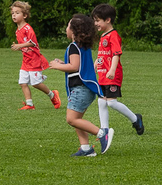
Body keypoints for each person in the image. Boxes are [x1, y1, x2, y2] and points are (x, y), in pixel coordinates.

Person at [46, 14, 114, 157]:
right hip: (85, 88)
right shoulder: (82, 47)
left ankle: (102, 133)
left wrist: (57, 66)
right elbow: (78, 65)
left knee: (72, 119)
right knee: (77, 120)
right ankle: (85, 148)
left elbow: (75, 66)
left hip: (80, 89)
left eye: (68, 25)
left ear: (74, 30)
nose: (66, 29)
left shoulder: (73, 47)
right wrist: (63, 64)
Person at [92, 3, 145, 135]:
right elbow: (103, 54)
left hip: (112, 75)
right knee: (101, 101)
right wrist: (95, 64)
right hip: (102, 75)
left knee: (111, 103)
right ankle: (104, 129)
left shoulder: (113, 35)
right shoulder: (103, 35)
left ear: (108, 20)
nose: (95, 23)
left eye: (98, 20)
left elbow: (116, 53)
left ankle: (135, 119)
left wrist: (112, 70)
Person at [9, 1, 61, 111]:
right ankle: (30, 104)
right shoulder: (18, 30)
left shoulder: (28, 28)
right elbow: (25, 47)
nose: (14, 15)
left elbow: (33, 43)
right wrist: (19, 47)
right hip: (26, 61)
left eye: (17, 13)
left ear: (25, 15)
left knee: (36, 84)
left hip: (34, 60)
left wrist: (20, 45)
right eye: (12, 13)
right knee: (22, 83)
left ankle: (53, 95)